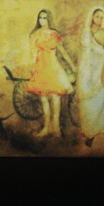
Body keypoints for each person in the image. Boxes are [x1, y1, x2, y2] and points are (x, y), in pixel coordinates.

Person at [27, 9, 77, 138]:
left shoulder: (55, 34)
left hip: (54, 68)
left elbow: (63, 52)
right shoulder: (34, 35)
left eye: (44, 18)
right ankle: (46, 128)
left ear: (49, 19)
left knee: (56, 99)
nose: (42, 20)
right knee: (44, 99)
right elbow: (32, 54)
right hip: (41, 67)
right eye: (40, 18)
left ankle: (56, 128)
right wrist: (33, 67)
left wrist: (72, 65)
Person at [76, 7, 104, 147]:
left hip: (101, 71)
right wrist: (84, 72)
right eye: (97, 16)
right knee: (89, 106)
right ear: (92, 17)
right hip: (87, 73)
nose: (99, 19)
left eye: (102, 17)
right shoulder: (85, 33)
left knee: (103, 102)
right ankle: (90, 134)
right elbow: (83, 54)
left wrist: (103, 72)